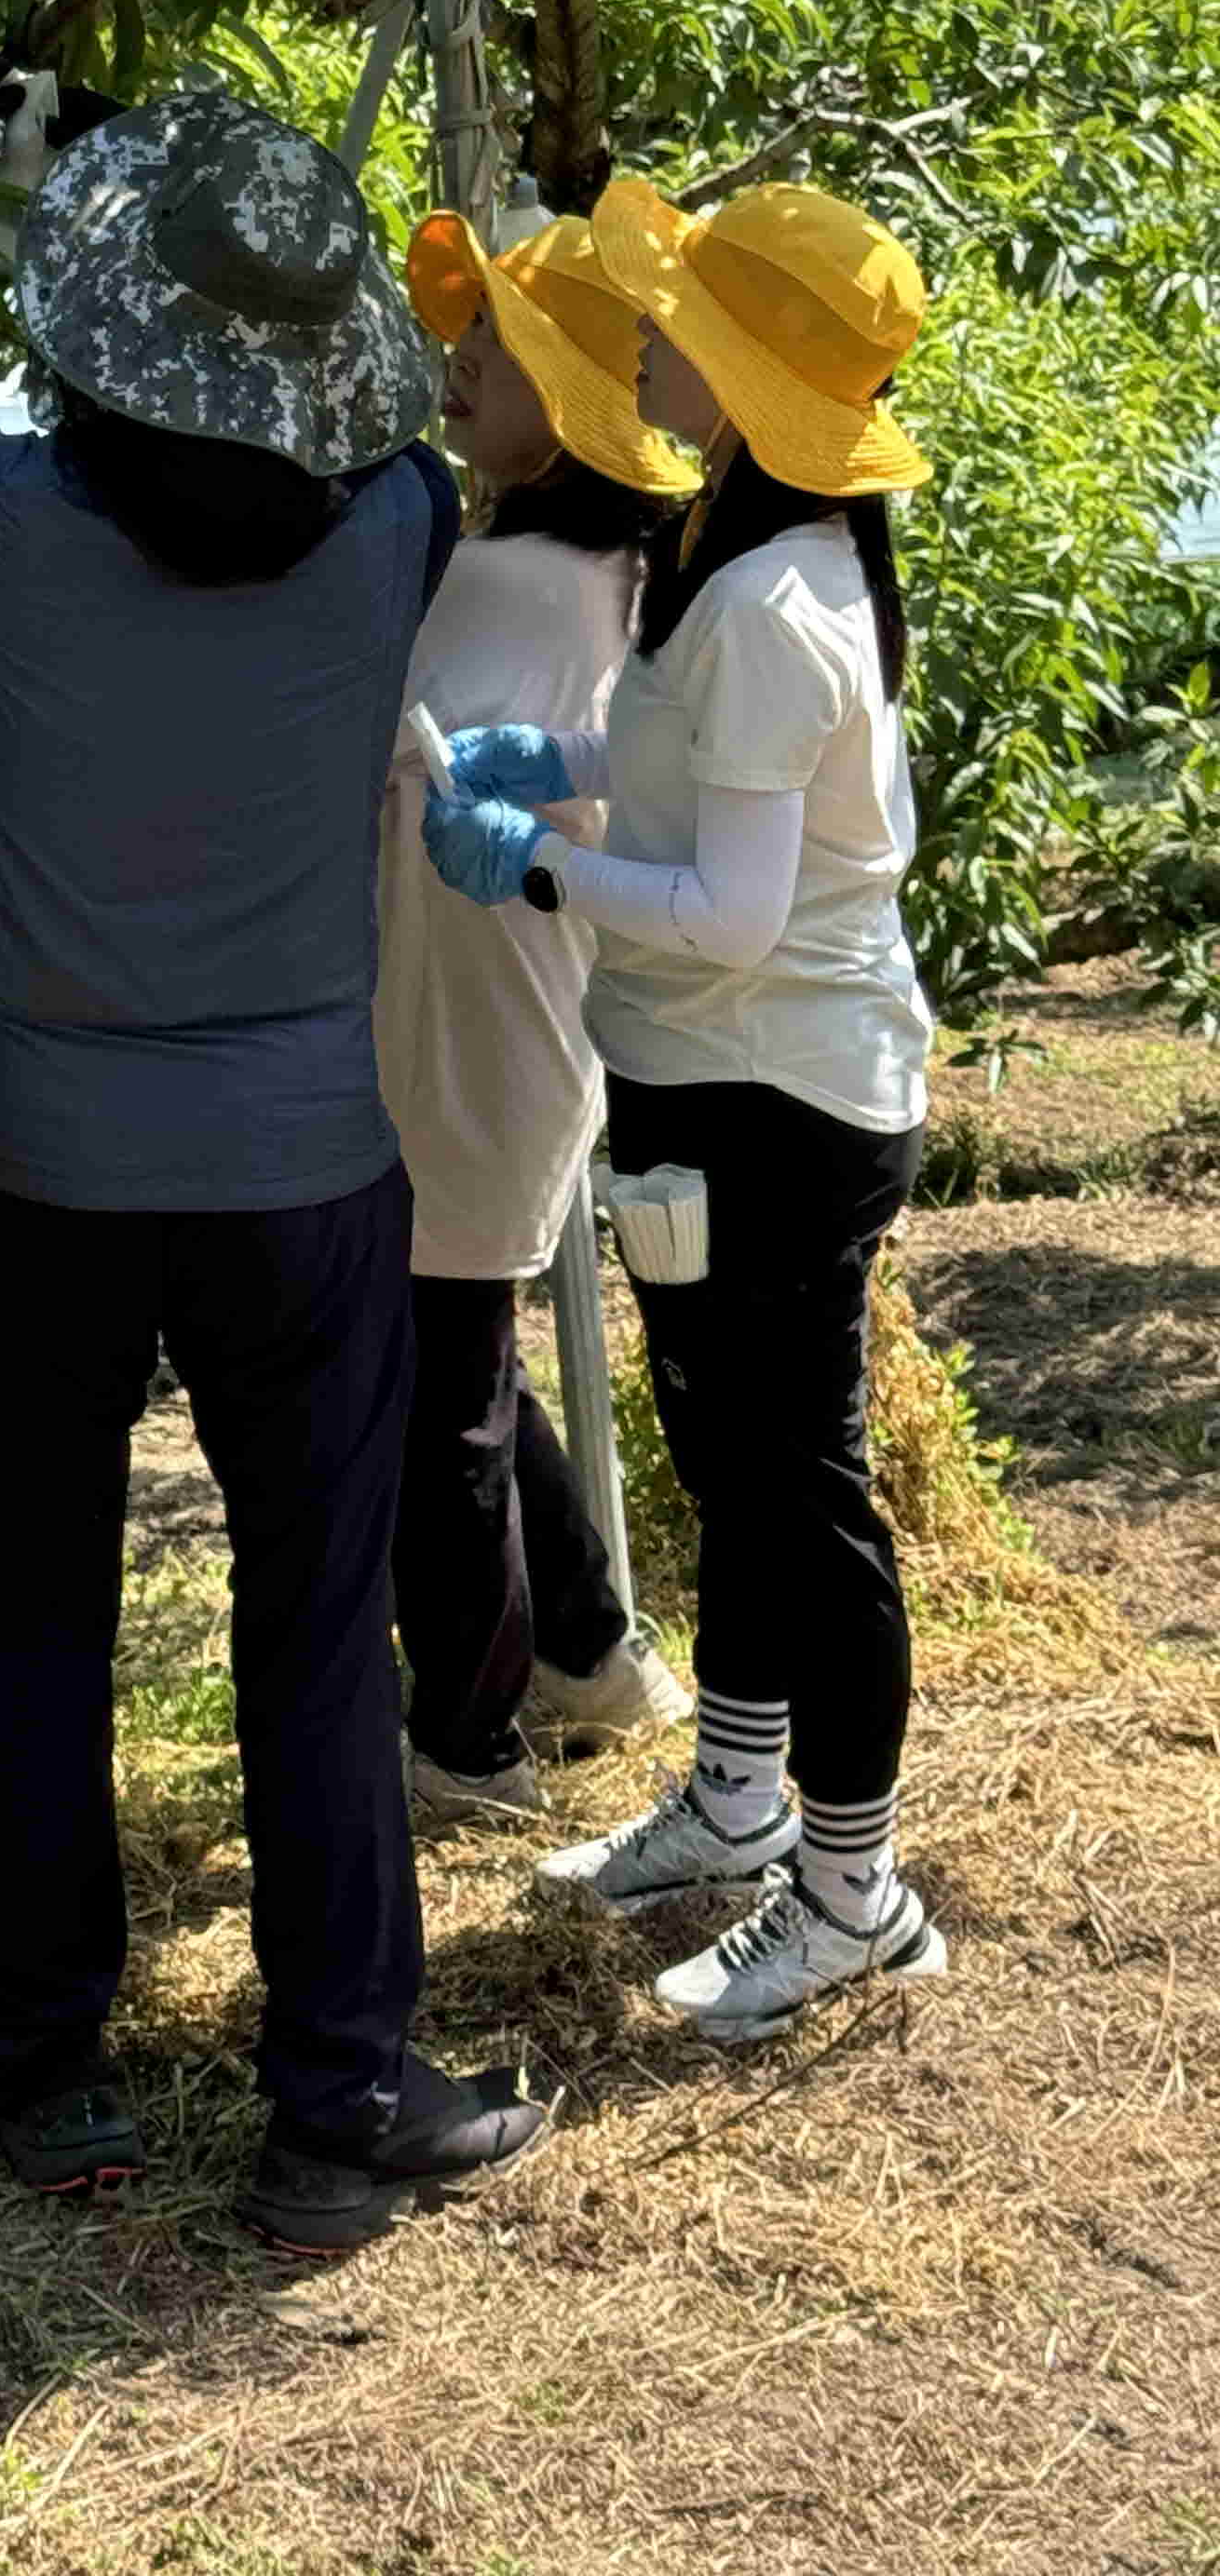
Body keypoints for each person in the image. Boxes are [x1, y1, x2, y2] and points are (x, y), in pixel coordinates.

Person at [0, 61, 546, 2256]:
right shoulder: (397, 532)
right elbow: (419, 403)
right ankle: (337, 2086)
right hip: (293, 1174)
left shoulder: (3, 521)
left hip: (31, 1161)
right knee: (314, 1634)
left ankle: (43, 2061)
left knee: (32, 1620)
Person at [421, 178, 946, 2043]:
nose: (644, 329)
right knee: (729, 1459)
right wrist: (549, 766)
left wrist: (535, 865)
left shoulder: (785, 599)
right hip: (699, 1084)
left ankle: (853, 1888)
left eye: (682, 311)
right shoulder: (744, 531)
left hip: (780, 1103)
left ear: (739, 361)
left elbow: (728, 913)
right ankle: (735, 1803)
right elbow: (669, 772)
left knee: (804, 1496)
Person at [378, 205, 697, 1827]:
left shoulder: (497, 574)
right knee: (460, 1344)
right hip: (518, 1020)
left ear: (561, 403)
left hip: (459, 1022)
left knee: (435, 1386)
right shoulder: (610, 570)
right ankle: (582, 1648)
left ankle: (472, 1737)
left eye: (485, 349)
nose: (456, 368)